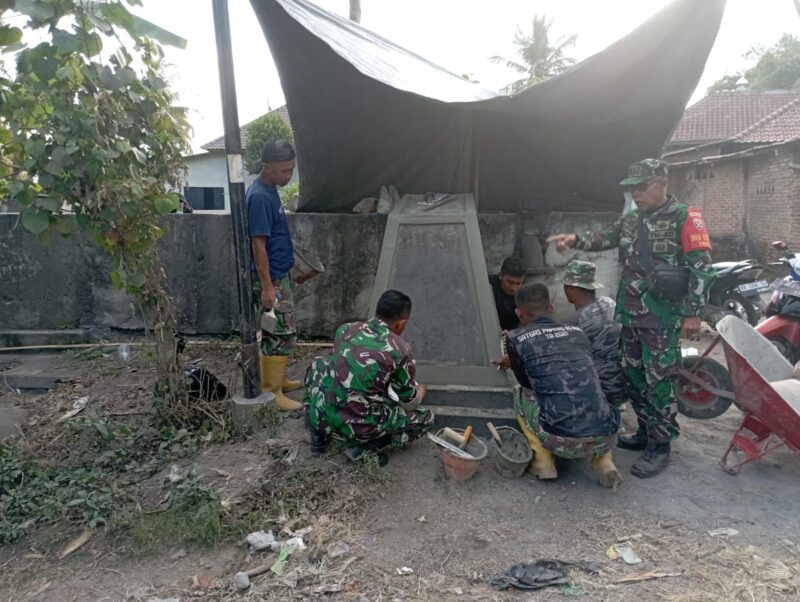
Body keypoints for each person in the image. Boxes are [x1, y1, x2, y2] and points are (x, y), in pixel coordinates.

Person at [547, 158, 715, 478]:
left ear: (661, 183)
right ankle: (644, 431)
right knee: (634, 379)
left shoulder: (684, 218)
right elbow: (605, 238)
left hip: (663, 318)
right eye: (632, 189)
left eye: (641, 187)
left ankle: (661, 445)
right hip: (631, 315)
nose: (636, 194)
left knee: (659, 382)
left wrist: (694, 313)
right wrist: (575, 240)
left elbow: (702, 267)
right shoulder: (631, 220)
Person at [506, 283, 622, 488]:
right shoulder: (578, 332)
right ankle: (604, 462)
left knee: (520, 394)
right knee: (590, 387)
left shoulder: (516, 339)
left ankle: (543, 462)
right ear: (551, 308)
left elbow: (526, 383)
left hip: (560, 441)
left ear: (518, 312)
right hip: (607, 434)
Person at [303, 290, 434, 466]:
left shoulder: (345, 329)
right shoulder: (400, 349)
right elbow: (408, 401)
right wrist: (420, 392)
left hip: (320, 414)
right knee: (425, 419)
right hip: (356, 426)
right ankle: (365, 449)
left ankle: (317, 433)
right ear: (401, 323)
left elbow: (340, 368)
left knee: (318, 364)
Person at [247, 139, 302, 411]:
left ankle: (278, 380)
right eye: (282, 171)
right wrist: (268, 287)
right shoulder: (258, 196)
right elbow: (258, 245)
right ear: (266, 167)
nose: (288, 176)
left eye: (291, 169)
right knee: (277, 331)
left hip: (280, 273)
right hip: (272, 279)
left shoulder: (270, 190)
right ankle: (272, 392)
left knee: (283, 329)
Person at [562, 260, 626, 406]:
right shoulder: (610, 304)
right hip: (625, 387)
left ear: (569, 288)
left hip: (600, 393)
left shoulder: (574, 321)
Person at [489, 256, 526, 331]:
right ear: (500, 275)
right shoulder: (488, 284)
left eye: (518, 283)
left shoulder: (525, 295)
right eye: (510, 282)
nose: (514, 288)